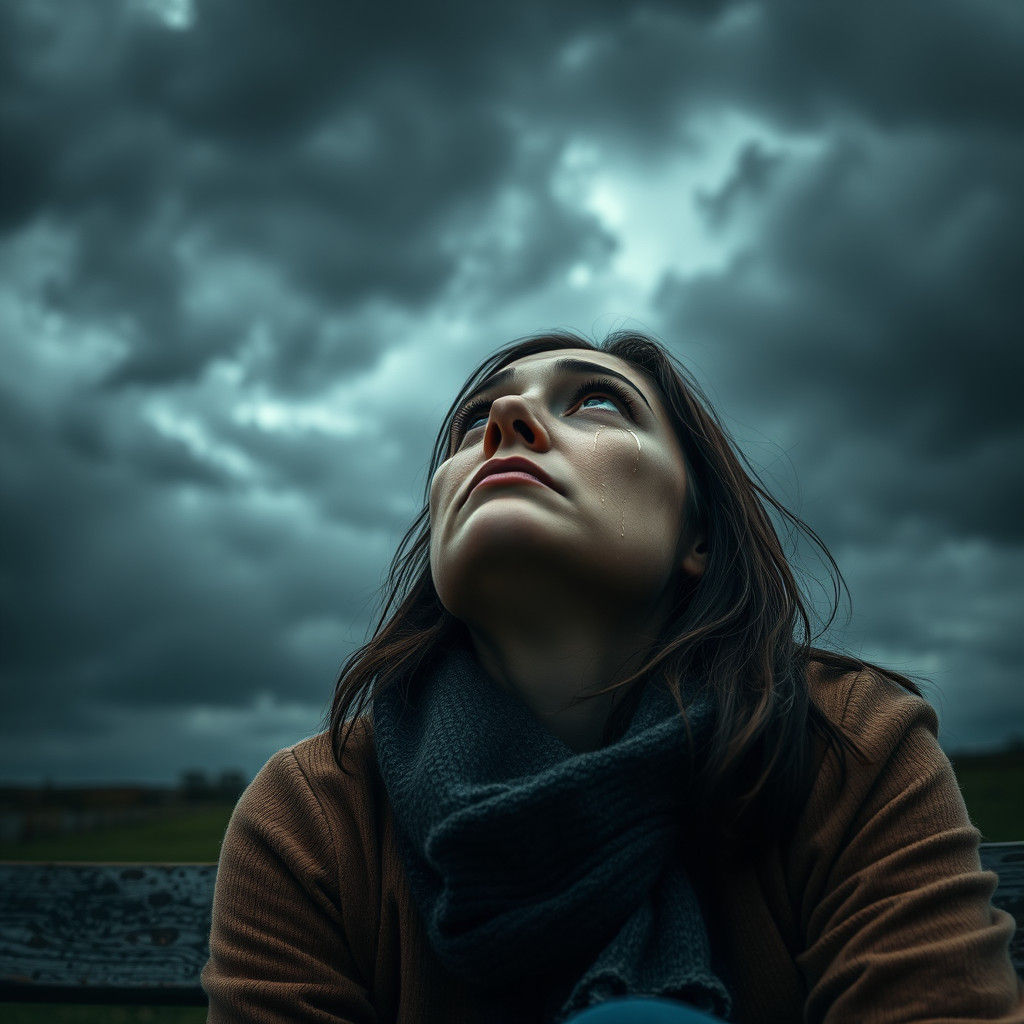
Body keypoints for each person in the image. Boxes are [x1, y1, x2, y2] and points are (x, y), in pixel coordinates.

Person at [201, 329, 1024, 1023]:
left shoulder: (850, 745)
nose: (507, 419)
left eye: (597, 401)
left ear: (696, 532)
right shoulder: (311, 816)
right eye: (473, 420)